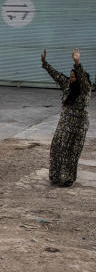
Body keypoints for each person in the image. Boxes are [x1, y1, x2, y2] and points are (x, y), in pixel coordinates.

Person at [42, 48, 91, 187]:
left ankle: (68, 178)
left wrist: (77, 63)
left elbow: (81, 78)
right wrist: (45, 64)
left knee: (71, 151)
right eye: (71, 76)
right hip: (64, 123)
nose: (71, 79)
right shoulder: (68, 86)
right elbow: (57, 76)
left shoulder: (84, 89)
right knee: (57, 147)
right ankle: (56, 176)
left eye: (74, 77)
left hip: (78, 126)